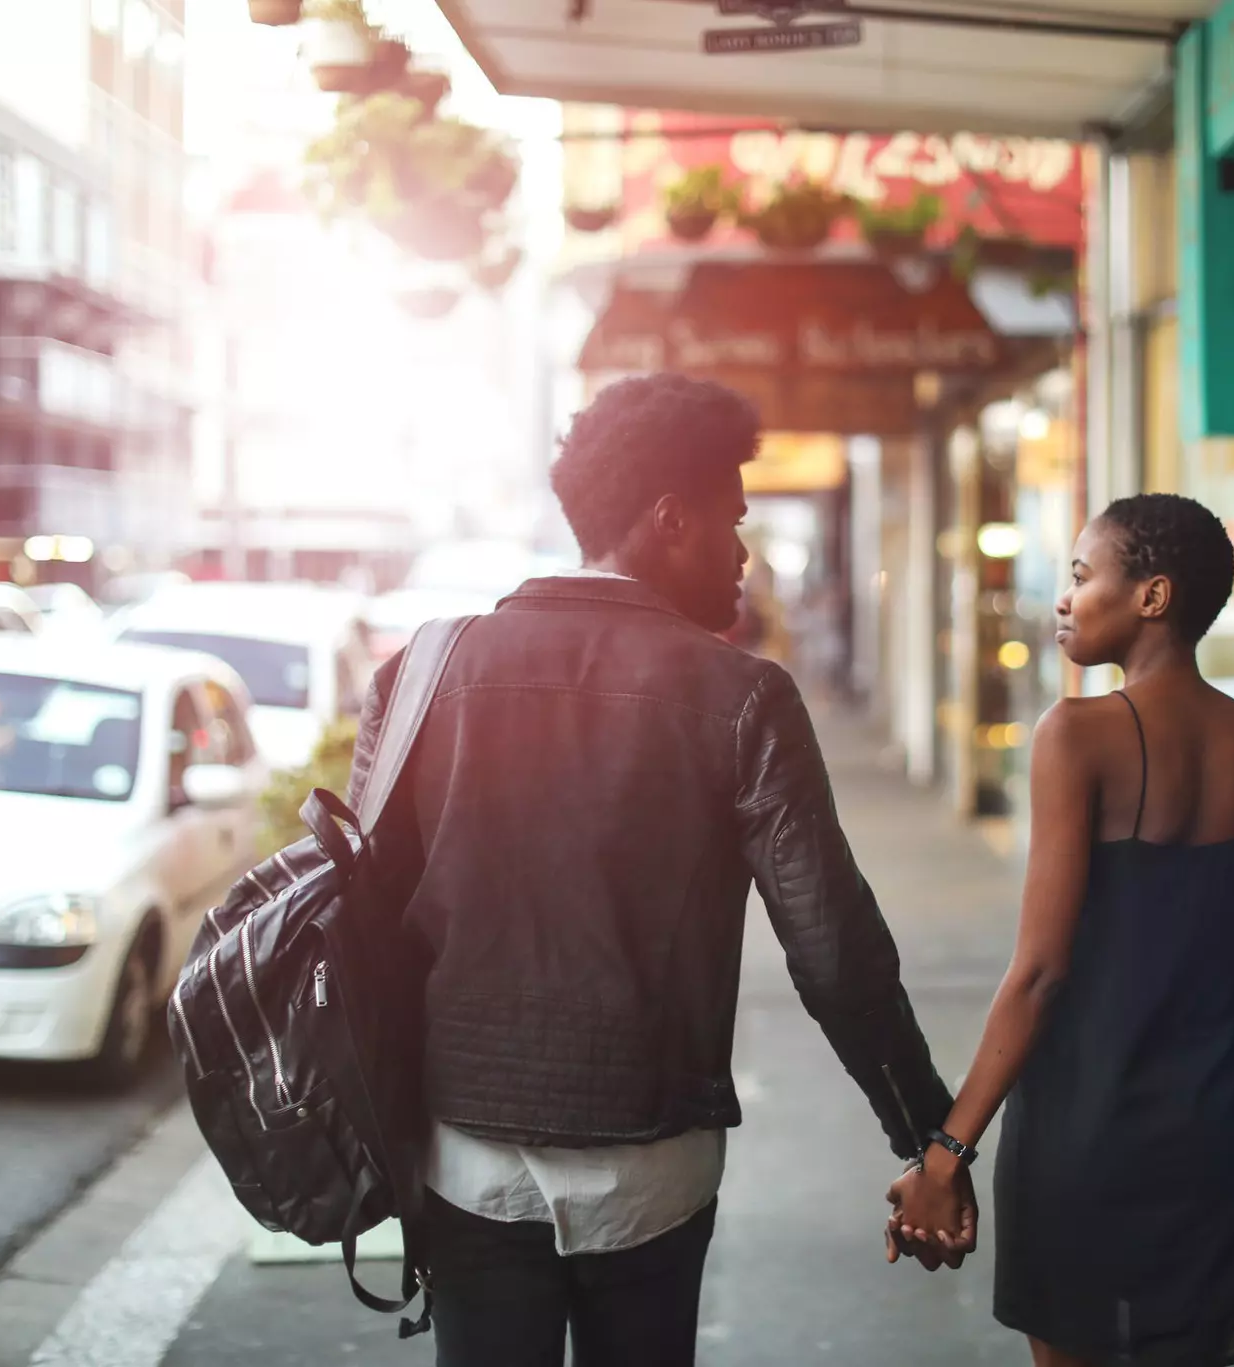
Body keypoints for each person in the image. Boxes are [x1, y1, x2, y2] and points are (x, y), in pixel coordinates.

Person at [348, 373, 973, 1367]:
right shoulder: (742, 695)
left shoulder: (420, 673)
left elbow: (362, 920)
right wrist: (925, 1135)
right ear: (669, 517)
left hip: (462, 1147)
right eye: (732, 519)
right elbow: (831, 945)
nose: (743, 552)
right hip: (652, 1156)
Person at [888, 493, 1234, 1367]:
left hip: (1086, 1128)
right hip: (1217, 1129)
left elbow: (1040, 973)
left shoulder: (1075, 736)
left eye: (1080, 576)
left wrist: (946, 1150)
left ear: (1151, 596)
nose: (1063, 599)